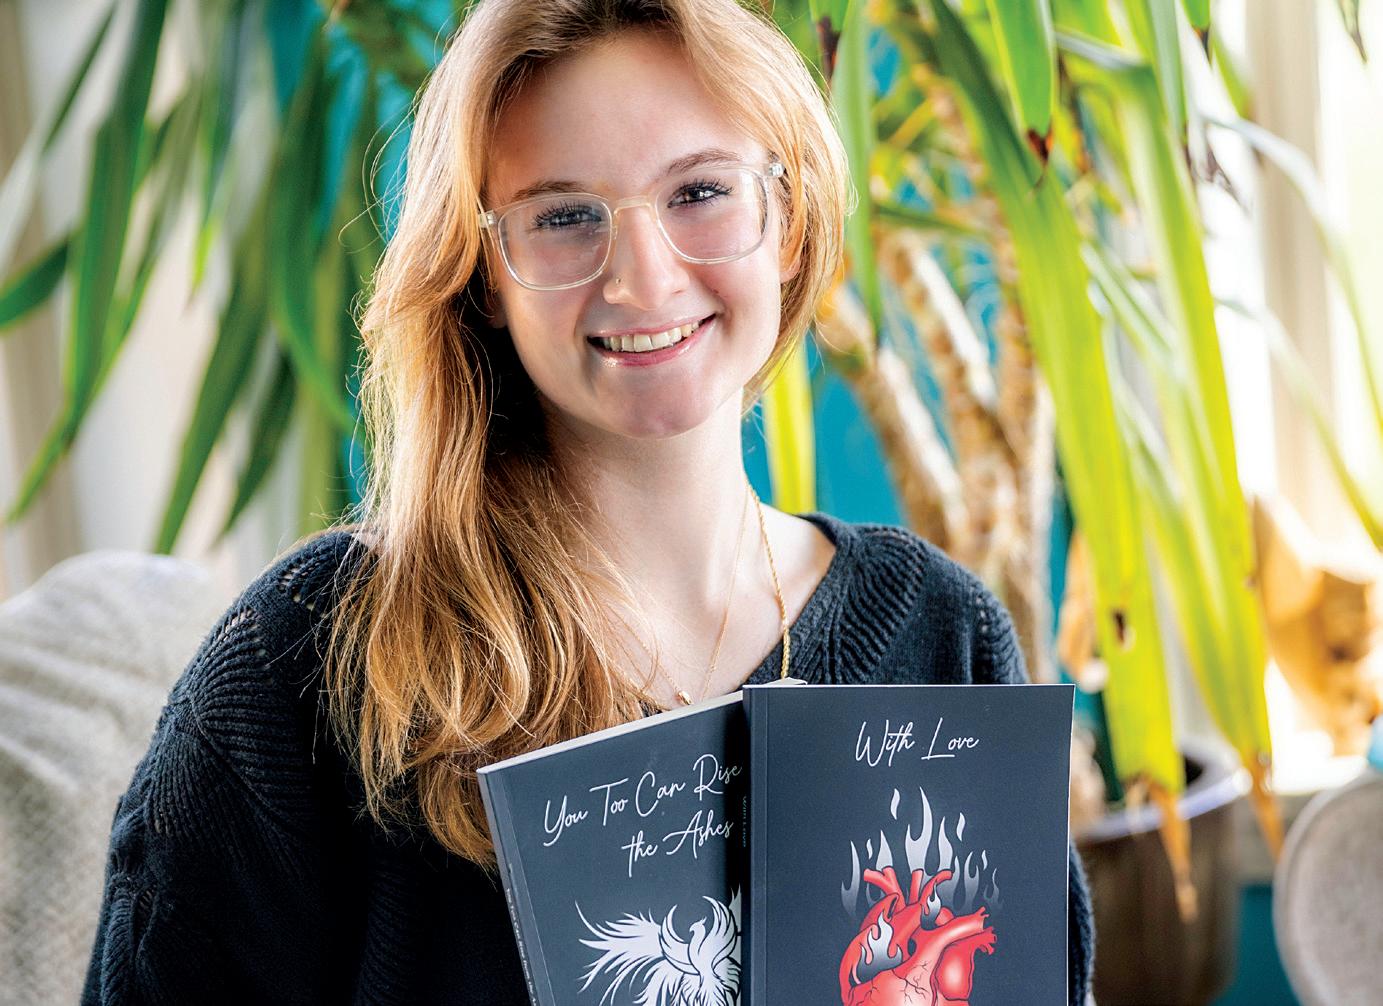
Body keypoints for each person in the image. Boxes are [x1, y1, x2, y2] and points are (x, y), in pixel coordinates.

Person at [83, 0, 1094, 1002]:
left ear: (786, 222)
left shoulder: (943, 636)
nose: (644, 280)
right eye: (564, 216)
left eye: (700, 191)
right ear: (484, 274)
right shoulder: (306, 669)